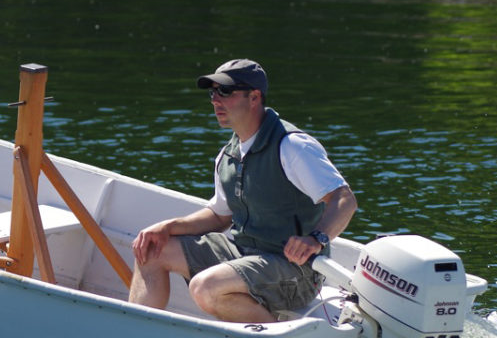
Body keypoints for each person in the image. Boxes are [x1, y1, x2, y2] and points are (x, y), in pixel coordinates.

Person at [128, 59, 357, 323]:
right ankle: (134, 336)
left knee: (205, 287)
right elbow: (219, 217)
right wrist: (167, 228)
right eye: (213, 93)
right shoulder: (227, 155)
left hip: (295, 270)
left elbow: (344, 199)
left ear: (255, 97)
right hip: (244, 252)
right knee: (151, 249)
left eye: (225, 91)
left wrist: (316, 239)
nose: (216, 100)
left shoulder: (292, 146)